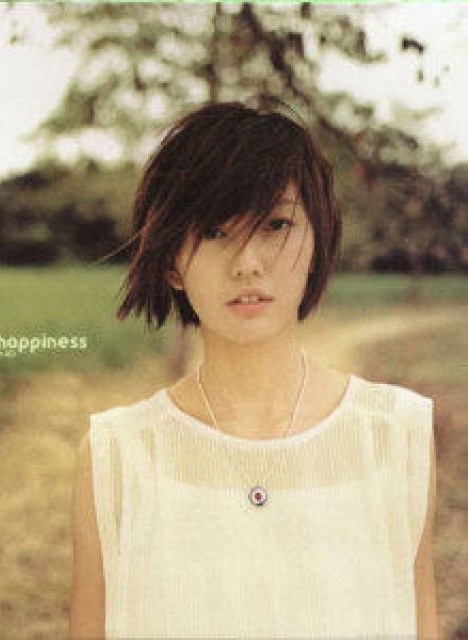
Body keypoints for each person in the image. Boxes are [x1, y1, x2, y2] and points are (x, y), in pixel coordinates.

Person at [69, 101, 438, 639]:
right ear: (172, 262)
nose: (247, 263)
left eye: (275, 225)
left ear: (317, 242)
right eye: (214, 231)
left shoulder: (395, 436)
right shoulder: (117, 456)